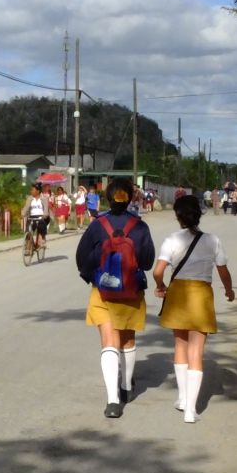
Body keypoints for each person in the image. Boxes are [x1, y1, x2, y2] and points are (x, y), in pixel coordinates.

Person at [75, 178, 156, 418]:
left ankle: (112, 402)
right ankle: (127, 388)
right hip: (131, 292)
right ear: (131, 197)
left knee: (108, 343)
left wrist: (95, 277)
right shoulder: (140, 227)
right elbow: (148, 262)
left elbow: (81, 258)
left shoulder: (97, 225)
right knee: (127, 341)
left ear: (107, 198)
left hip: (103, 291)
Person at [154, 194, 234, 423]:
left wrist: (161, 287)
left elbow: (158, 271)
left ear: (178, 216)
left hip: (178, 293)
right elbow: (223, 271)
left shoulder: (171, 239)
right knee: (196, 352)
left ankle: (181, 398)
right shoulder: (212, 240)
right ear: (199, 215)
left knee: (180, 345)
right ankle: (191, 410)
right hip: (201, 295)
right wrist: (229, 290)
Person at [20, 182, 49, 251]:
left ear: (38, 191)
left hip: (41, 217)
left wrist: (44, 216)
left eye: (32, 190)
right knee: (28, 231)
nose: (31, 191)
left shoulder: (44, 199)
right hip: (32, 217)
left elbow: (45, 209)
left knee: (41, 225)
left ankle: (42, 240)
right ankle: (28, 247)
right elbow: (26, 208)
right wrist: (23, 214)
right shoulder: (30, 199)